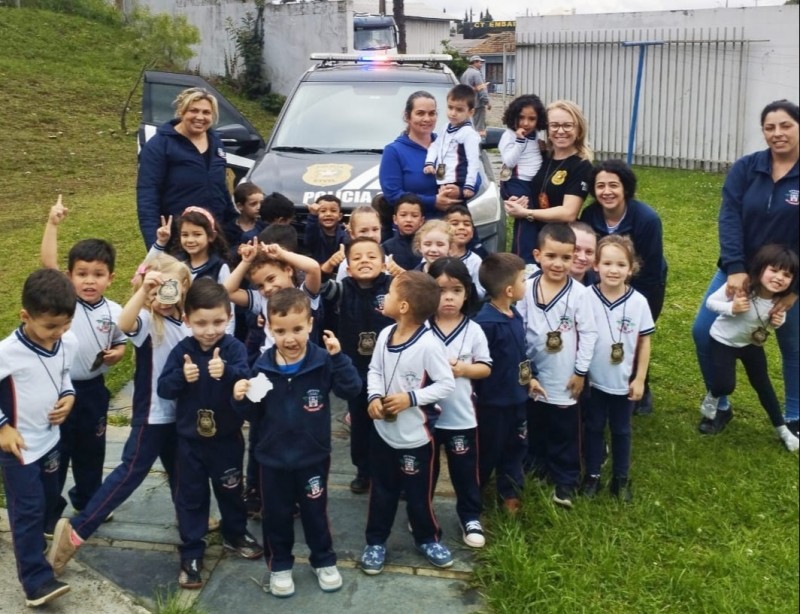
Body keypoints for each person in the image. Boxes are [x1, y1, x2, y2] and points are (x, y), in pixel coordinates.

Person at [48, 256, 192, 577]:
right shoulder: (147, 320)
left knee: (181, 470)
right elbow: (123, 325)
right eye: (157, 288)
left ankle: (190, 517)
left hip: (177, 415)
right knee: (129, 474)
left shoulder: (186, 322)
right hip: (152, 415)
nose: (164, 295)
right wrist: (143, 291)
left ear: (184, 288)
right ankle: (76, 532)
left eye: (171, 287)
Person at [233, 288, 361, 598]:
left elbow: (351, 390)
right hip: (272, 459)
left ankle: (324, 560)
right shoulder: (262, 367)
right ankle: (279, 565)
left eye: (297, 329)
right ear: (269, 329)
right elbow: (252, 413)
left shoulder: (323, 361)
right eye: (280, 331)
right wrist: (239, 398)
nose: (289, 338)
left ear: (310, 324)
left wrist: (339, 358)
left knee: (315, 512)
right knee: (275, 515)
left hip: (312, 456)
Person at [691, 100, 799, 436]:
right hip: (738, 271)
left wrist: (795, 290)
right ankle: (720, 405)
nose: (777, 133)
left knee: (793, 345)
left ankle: (794, 415)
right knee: (703, 331)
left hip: (788, 279)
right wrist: (735, 268)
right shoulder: (747, 168)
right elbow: (729, 217)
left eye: (786, 125)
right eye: (770, 127)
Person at [157, 279, 263, 589]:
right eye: (201, 323)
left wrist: (228, 373)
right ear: (187, 320)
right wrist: (181, 376)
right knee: (191, 497)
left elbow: (248, 380)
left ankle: (235, 533)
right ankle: (192, 550)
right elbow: (164, 388)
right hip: (189, 442)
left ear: (229, 317)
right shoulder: (182, 351)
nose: (209, 330)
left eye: (217, 322)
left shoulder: (234, 348)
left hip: (226, 438)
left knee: (231, 489)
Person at [40, 197, 127, 531]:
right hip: (58, 391)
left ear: (110, 277)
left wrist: (117, 353)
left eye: (98, 275)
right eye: (82, 274)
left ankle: (90, 502)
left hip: (93, 391)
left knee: (92, 451)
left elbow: (120, 341)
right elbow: (47, 264)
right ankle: (50, 512)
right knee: (56, 453)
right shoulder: (64, 302)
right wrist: (53, 224)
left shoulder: (115, 311)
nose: (89, 281)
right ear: (69, 276)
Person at [360, 272, 456, 575]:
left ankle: (428, 538)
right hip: (383, 433)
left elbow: (446, 384)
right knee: (382, 491)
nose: (385, 297)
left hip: (416, 437)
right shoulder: (385, 335)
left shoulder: (429, 345)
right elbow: (375, 370)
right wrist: (374, 397)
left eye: (389, 293)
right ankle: (376, 542)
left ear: (403, 306)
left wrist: (410, 399)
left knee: (418, 495)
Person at [1, 268, 77, 607]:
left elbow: (64, 376)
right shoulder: (7, 352)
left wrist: (69, 396)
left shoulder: (66, 342)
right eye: (49, 327)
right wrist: (3, 428)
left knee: (47, 500)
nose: (57, 333)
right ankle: (36, 580)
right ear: (25, 316)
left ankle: (35, 541)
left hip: (51, 441)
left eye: (65, 325)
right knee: (28, 510)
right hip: (19, 449)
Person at [517, 223, 597, 509]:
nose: (558, 264)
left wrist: (580, 372)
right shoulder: (526, 289)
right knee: (535, 422)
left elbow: (589, 334)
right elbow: (518, 330)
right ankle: (537, 465)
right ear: (537, 255)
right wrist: (525, 372)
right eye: (551, 256)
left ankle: (566, 479)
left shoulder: (580, 294)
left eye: (565, 257)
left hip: (564, 377)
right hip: (532, 374)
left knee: (565, 430)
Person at [580, 159, 667, 415]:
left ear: (625, 187)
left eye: (613, 185)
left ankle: (641, 384)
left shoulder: (647, 219)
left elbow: (650, 269)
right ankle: (599, 382)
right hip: (603, 283)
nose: (607, 191)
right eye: (600, 186)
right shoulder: (590, 215)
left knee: (634, 335)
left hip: (645, 285)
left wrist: (631, 300)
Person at [700, 244, 799, 452]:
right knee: (725, 385)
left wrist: (778, 321)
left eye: (787, 275)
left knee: (764, 386)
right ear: (761, 268)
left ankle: (783, 430)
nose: (779, 278)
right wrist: (731, 308)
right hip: (723, 341)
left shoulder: (779, 301)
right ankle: (713, 396)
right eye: (774, 270)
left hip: (751, 345)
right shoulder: (742, 287)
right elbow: (711, 302)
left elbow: (774, 322)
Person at [582, 236, 655, 502]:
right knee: (593, 427)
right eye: (607, 263)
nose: (614, 270)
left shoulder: (639, 303)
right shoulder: (585, 297)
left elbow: (644, 342)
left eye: (621, 264)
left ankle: (621, 478)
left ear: (631, 268)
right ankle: (592, 475)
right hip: (592, 381)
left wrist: (640, 378)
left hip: (623, 381)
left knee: (622, 430)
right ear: (596, 265)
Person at [319, 238, 393, 494]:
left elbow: (419, 291)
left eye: (372, 256)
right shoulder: (342, 289)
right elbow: (318, 285)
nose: (364, 261)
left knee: (390, 421)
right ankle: (363, 471)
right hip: (355, 370)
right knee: (360, 424)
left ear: (384, 264)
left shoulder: (393, 287)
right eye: (357, 257)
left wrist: (400, 273)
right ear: (348, 268)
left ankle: (392, 473)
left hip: (387, 369)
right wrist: (328, 266)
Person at [473, 253, 545, 514]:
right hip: (493, 404)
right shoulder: (485, 324)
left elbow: (520, 353)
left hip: (517, 399)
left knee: (516, 446)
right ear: (509, 290)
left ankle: (510, 492)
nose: (526, 284)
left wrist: (531, 377)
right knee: (488, 450)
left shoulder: (514, 315)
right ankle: (474, 492)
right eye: (523, 280)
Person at [426, 257, 491, 547]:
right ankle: (423, 515)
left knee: (464, 471)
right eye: (440, 290)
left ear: (467, 292)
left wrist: (463, 369)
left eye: (456, 290)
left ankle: (470, 516)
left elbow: (485, 367)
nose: (449, 297)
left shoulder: (473, 330)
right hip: (424, 419)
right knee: (426, 471)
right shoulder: (420, 328)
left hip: (461, 416)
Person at [137, 87, 235, 249]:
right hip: (179, 238)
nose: (200, 117)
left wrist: (233, 224)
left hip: (214, 235)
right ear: (181, 111)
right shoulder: (160, 145)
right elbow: (148, 195)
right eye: (194, 110)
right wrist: (154, 245)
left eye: (206, 112)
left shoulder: (215, 142)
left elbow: (220, 187)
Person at [505, 100, 593, 265]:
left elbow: (568, 213)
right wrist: (514, 201)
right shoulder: (541, 156)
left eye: (567, 125)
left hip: (558, 244)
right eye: (554, 125)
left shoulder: (581, 166)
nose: (560, 131)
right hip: (530, 237)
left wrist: (527, 213)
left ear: (579, 129)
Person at [379, 91, 463, 218]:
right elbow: (393, 195)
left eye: (432, 113)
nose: (427, 119)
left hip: (453, 225)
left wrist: (459, 191)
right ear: (407, 116)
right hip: (415, 227)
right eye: (420, 113)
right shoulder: (394, 151)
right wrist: (433, 202)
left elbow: (475, 178)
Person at [423, 84, 482, 199]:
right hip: (442, 180)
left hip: (458, 182)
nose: (453, 113)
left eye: (459, 110)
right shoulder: (445, 127)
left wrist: (469, 185)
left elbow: (473, 161)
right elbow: (435, 146)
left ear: (470, 112)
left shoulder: (469, 133)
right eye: (450, 107)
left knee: (454, 209)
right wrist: (429, 162)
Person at [498, 94, 547, 204]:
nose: (526, 123)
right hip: (517, 182)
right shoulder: (509, 135)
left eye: (532, 119)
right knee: (524, 211)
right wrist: (519, 141)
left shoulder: (535, 134)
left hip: (534, 182)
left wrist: (543, 151)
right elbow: (508, 163)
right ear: (513, 116)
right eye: (521, 117)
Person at [444, 204, 486, 300]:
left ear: (472, 232)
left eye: (467, 224)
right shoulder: (435, 254)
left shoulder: (475, 261)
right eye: (455, 224)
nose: (462, 227)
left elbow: (481, 292)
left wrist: (462, 288)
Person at [381, 193, 426, 270]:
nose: (408, 220)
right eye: (403, 215)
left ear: (421, 221)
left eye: (414, 216)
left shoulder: (427, 246)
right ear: (395, 219)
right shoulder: (387, 247)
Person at [305, 194, 348, 265]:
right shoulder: (314, 234)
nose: (328, 214)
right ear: (317, 215)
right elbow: (310, 234)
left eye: (333, 211)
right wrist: (313, 216)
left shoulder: (345, 235)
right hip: (317, 269)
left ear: (340, 216)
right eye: (323, 211)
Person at [225, 182, 266, 256]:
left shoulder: (264, 225)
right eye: (253, 204)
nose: (259, 207)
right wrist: (237, 250)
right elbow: (225, 253)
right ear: (240, 206)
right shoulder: (229, 229)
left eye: (261, 203)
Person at [460, 55, 491, 137]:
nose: (481, 64)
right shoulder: (476, 73)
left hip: (467, 104)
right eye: (480, 62)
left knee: (469, 125)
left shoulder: (465, 74)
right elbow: (481, 89)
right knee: (478, 128)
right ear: (474, 62)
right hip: (477, 104)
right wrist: (487, 102)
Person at [569, 221, 598, 287]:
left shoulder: (600, 285)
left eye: (589, 252)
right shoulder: (545, 283)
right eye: (576, 249)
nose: (582, 258)